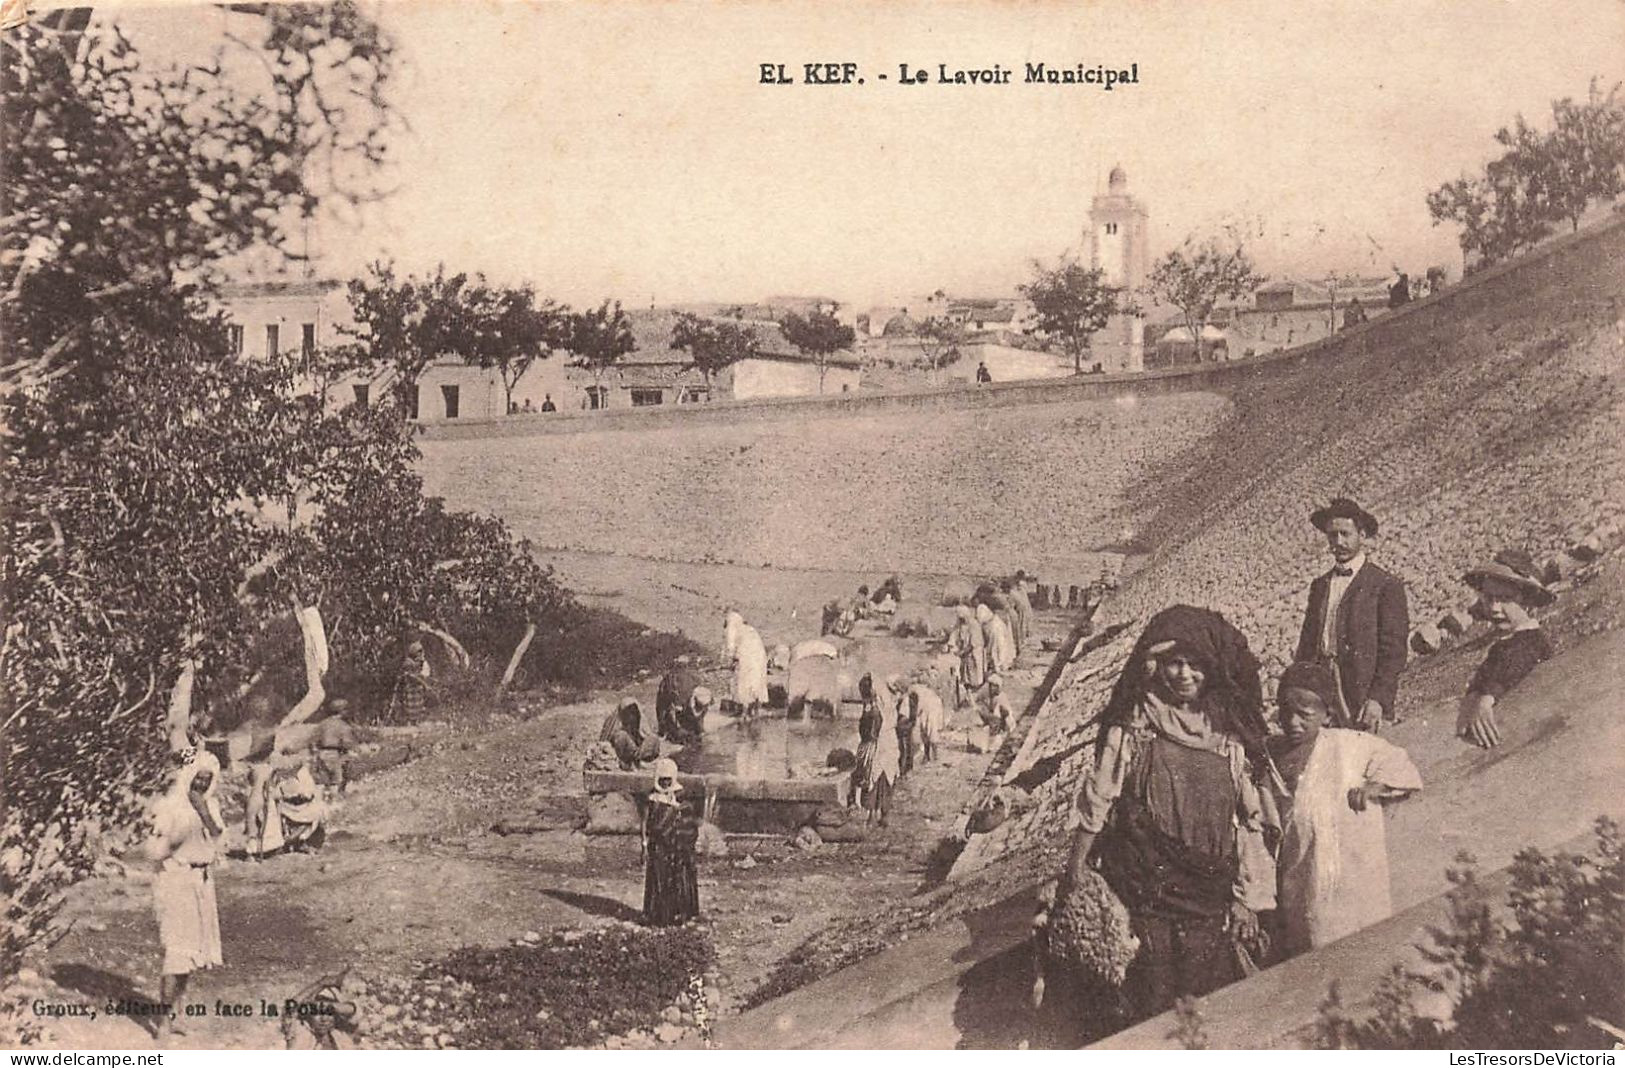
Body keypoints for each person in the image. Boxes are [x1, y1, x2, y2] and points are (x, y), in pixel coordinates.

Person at [1063, 605, 1276, 1021]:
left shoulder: (1228, 732)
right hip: (1146, 887)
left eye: (1194, 664)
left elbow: (1250, 821)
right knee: (1152, 997)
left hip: (1210, 889)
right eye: (1172, 663)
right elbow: (1099, 795)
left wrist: (1248, 899)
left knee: (1206, 1002)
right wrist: (1076, 866)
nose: (1183, 674)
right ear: (1154, 666)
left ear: (1211, 669)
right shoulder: (1135, 724)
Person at [1270, 662, 1421, 957]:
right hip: (1301, 879)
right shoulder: (1272, 753)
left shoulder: (1349, 745)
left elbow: (1398, 763)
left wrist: (1374, 787)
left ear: (1327, 716)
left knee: (1359, 948)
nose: (1293, 722)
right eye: (1286, 712)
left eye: (1304, 715)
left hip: (1350, 881)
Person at [1296, 498, 1409, 732]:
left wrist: (1378, 699)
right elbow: (1307, 646)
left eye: (1346, 534)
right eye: (1332, 535)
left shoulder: (1384, 585)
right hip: (1323, 691)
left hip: (1362, 692)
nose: (1338, 542)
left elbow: (1394, 651)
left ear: (1362, 535)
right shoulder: (1320, 586)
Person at [146, 748, 225, 1039]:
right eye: (197, 778)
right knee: (177, 952)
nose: (202, 784)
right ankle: (163, 1022)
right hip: (176, 881)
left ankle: (177, 1011)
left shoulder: (211, 805)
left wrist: (203, 811)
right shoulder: (171, 807)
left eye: (207, 779)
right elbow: (155, 850)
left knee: (191, 953)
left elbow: (218, 837)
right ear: (187, 777)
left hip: (202, 882)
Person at [1456, 550, 1556, 748]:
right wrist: (1474, 695)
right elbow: (1485, 675)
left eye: (1504, 599)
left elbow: (1518, 663)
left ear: (1526, 603)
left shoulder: (1532, 641)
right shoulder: (1503, 644)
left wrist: (1487, 699)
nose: (1494, 608)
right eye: (1488, 598)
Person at [641, 757, 700, 926]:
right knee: (658, 879)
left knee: (677, 879)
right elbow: (645, 822)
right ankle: (658, 916)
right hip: (658, 846)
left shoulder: (681, 797)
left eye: (668, 779)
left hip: (677, 846)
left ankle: (678, 913)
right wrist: (644, 844)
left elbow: (690, 823)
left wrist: (687, 842)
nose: (666, 783)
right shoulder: (651, 798)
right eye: (662, 779)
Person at [850, 674, 900, 826]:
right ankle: (885, 814)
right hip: (890, 742)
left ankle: (872, 815)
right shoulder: (889, 703)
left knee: (873, 777)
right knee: (887, 778)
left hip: (878, 743)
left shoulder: (874, 708)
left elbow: (870, 728)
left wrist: (867, 739)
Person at [723, 609, 769, 719]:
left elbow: (730, 646)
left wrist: (731, 659)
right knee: (756, 682)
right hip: (758, 658)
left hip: (746, 658)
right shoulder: (750, 629)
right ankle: (754, 711)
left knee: (742, 682)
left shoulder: (733, 628)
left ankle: (743, 712)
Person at [312, 699, 358, 797]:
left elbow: (314, 740)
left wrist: (315, 753)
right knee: (338, 780)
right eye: (347, 710)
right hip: (336, 754)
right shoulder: (343, 726)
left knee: (325, 781)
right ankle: (338, 798)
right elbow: (347, 743)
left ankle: (325, 800)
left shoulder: (322, 724)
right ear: (342, 711)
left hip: (322, 754)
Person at [601, 698, 659, 770]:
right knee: (621, 736)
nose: (632, 716)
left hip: (638, 752)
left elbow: (644, 735)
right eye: (628, 712)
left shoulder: (638, 722)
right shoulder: (618, 728)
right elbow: (607, 744)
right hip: (623, 756)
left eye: (634, 712)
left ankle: (640, 762)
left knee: (653, 739)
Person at [950, 604, 986, 709]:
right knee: (967, 677)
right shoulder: (961, 624)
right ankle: (969, 696)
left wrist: (961, 653)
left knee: (974, 677)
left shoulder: (974, 625)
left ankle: (974, 698)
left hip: (974, 654)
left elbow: (972, 644)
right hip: (966, 655)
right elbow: (955, 633)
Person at [656, 665, 704, 742]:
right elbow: (663, 707)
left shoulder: (694, 685)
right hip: (674, 701)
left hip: (683, 702)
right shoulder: (669, 684)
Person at [388, 639, 430, 723]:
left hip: (417, 686)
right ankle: (410, 721)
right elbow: (410, 676)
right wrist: (424, 683)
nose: (421, 654)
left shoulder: (419, 662)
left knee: (418, 703)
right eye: (419, 652)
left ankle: (416, 720)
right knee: (410, 704)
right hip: (410, 686)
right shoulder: (408, 662)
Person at [907, 682, 945, 764]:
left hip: (931, 714)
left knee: (931, 735)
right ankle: (927, 755)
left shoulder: (925, 695)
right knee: (926, 735)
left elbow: (918, 707)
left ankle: (934, 755)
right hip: (926, 714)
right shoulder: (924, 693)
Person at [978, 602, 1015, 674]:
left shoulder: (995, 626)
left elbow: (996, 645)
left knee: (998, 651)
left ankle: (999, 665)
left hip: (999, 642)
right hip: (996, 642)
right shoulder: (989, 621)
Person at [982, 673, 1014, 737]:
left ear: (998, 687)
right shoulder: (992, 697)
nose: (990, 688)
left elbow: (997, 715)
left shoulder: (1000, 697)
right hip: (998, 722)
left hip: (1004, 723)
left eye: (993, 686)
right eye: (990, 686)